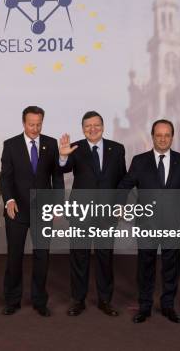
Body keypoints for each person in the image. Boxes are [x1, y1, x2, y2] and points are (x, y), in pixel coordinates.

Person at [118, 119, 180, 324]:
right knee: (145, 267)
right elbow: (125, 185)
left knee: (171, 266)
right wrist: (120, 204)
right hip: (146, 224)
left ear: (172, 137)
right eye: (159, 135)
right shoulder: (140, 161)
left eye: (167, 135)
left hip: (174, 225)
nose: (163, 139)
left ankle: (168, 306)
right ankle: (145, 307)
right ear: (152, 137)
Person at [58, 110, 126, 317]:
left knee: (105, 256)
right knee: (79, 256)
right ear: (83, 129)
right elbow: (64, 169)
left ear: (103, 127)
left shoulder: (117, 148)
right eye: (88, 126)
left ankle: (105, 300)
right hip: (81, 212)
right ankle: (78, 300)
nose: (92, 129)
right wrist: (63, 156)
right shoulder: (75, 148)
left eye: (96, 125)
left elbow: (122, 180)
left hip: (107, 212)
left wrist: (121, 204)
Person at [1, 106, 64, 317]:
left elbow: (57, 177)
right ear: (23, 123)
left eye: (39, 124)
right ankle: (12, 300)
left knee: (42, 256)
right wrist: (8, 200)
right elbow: (6, 178)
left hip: (43, 210)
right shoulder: (10, 145)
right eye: (31, 124)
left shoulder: (51, 143)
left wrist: (58, 204)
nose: (35, 128)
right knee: (14, 257)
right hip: (16, 210)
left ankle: (39, 300)